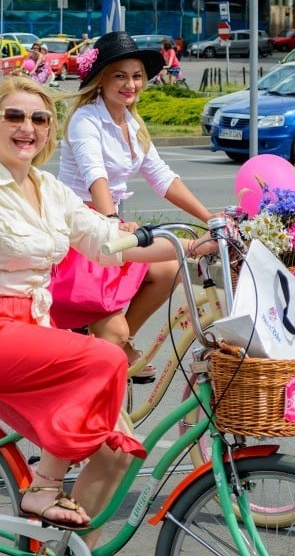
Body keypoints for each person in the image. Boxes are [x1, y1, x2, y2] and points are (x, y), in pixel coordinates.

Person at [0, 74, 213, 542]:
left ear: (50, 131)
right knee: (107, 356)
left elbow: (110, 243)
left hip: (30, 330)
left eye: (39, 118)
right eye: (13, 116)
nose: (26, 126)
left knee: (118, 452)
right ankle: (45, 485)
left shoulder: (50, 191)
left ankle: (65, 549)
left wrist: (194, 246)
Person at [54, 31, 216, 381]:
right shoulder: (86, 119)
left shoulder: (131, 123)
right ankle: (111, 345)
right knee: (112, 334)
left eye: (138, 76)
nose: (131, 84)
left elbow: (162, 177)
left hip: (111, 225)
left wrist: (209, 217)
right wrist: (111, 219)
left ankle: (116, 344)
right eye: (120, 76)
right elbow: (94, 172)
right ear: (101, 80)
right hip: (81, 230)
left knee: (171, 268)